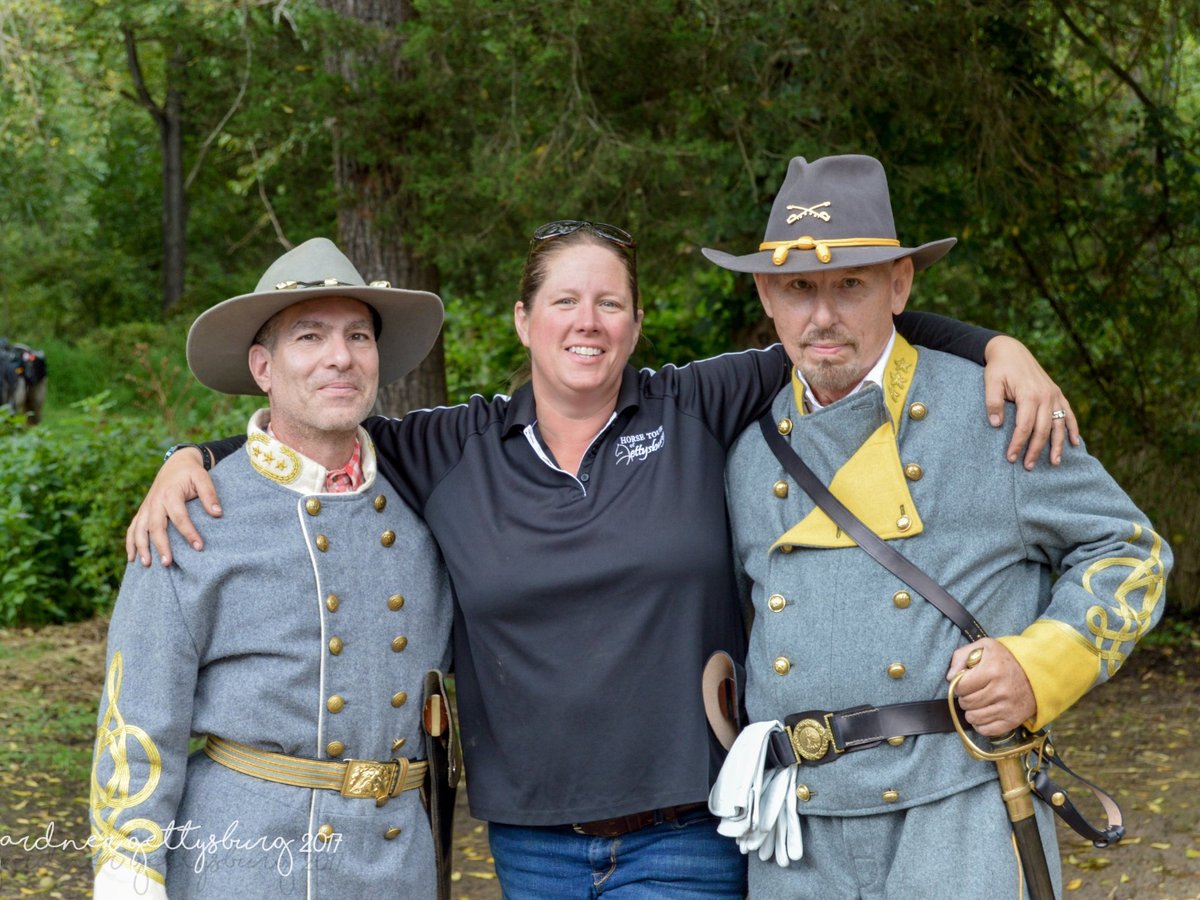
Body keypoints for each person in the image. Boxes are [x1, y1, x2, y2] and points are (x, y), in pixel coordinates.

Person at [126, 218, 1077, 898]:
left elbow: (834, 337)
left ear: (634, 322)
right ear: (522, 320)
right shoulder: (451, 447)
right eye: (566, 301)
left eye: (611, 303)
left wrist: (997, 346)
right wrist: (193, 458)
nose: (589, 322)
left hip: (687, 826)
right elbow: (321, 431)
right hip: (531, 839)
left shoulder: (694, 406)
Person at [704, 154, 1170, 897]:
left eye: (848, 285)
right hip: (800, 837)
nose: (821, 317)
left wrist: (1039, 665)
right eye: (798, 288)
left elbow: (1132, 552)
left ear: (900, 285)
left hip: (963, 814)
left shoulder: (993, 412)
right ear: (766, 294)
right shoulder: (745, 451)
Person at [90, 238, 456, 899]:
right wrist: (130, 868)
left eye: (357, 337)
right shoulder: (192, 510)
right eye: (309, 336)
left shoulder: (421, 506)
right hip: (244, 866)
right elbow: (140, 714)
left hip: (398, 867)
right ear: (263, 365)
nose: (339, 357)